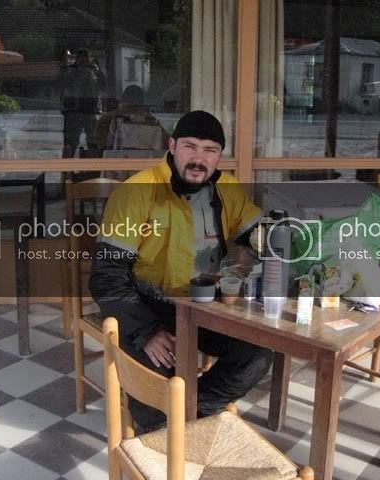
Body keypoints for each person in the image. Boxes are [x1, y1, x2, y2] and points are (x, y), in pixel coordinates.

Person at [90, 110, 273, 432]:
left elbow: (261, 233)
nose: (199, 159)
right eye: (190, 147)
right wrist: (146, 332)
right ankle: (167, 427)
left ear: (219, 156)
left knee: (257, 354)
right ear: (172, 146)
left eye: (210, 150)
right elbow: (107, 276)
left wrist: (288, 238)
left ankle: (190, 415)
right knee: (155, 393)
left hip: (204, 304)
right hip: (146, 304)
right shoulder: (137, 192)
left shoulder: (227, 189)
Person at [58, 48, 106, 158]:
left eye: (86, 58)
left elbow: (104, 87)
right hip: (74, 111)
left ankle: (92, 164)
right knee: (71, 142)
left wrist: (96, 71)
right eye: (81, 58)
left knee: (93, 141)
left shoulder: (94, 71)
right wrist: (70, 70)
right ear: (77, 59)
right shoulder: (70, 71)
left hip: (91, 110)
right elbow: (61, 85)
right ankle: (67, 166)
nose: (84, 61)